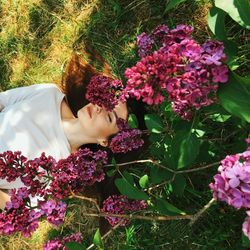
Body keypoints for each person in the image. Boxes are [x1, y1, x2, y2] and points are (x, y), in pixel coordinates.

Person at [0, 52, 128, 210]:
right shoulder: (49, 93)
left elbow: (22, 206)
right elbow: (2, 100)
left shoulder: (66, 171)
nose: (99, 108)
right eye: (104, 101)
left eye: (109, 117)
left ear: (105, 141)